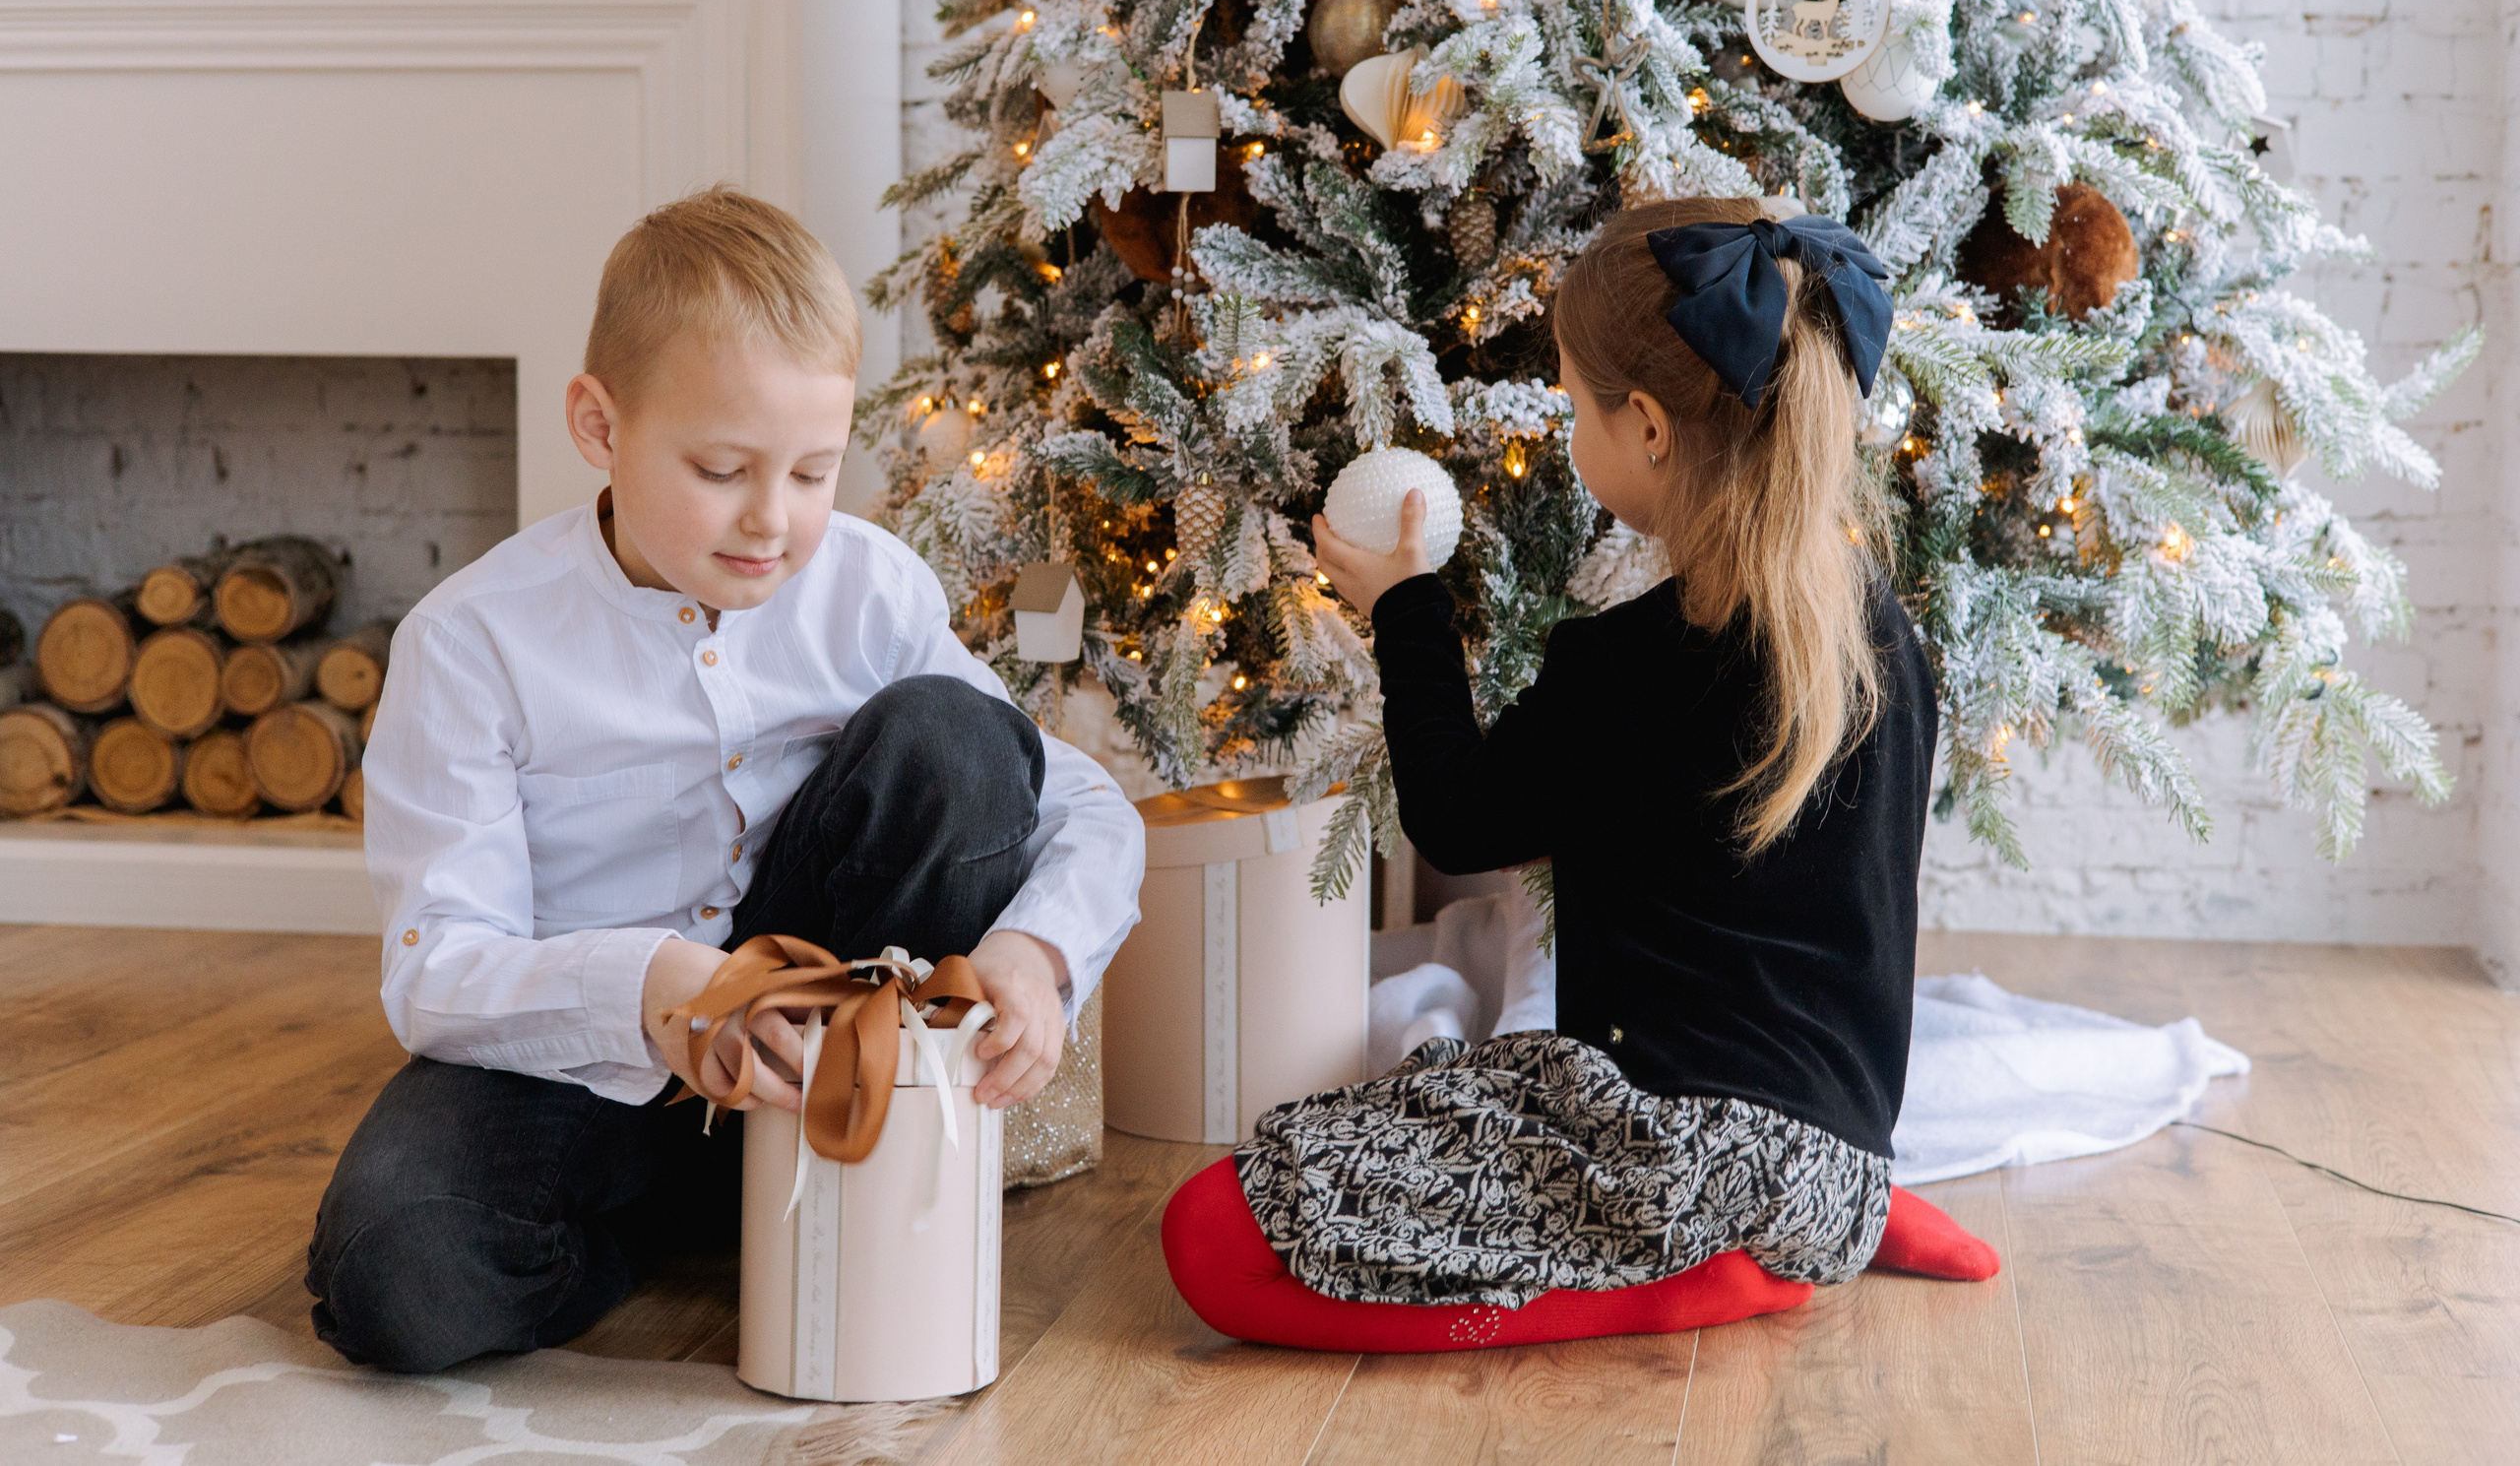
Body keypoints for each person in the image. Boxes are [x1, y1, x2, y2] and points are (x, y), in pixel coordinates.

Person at [306, 187, 1143, 1373]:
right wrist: (660, 990)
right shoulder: (472, 642)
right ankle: (671, 1218)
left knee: (953, 738)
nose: (773, 520)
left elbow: (1083, 805)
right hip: (590, 1063)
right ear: (598, 425)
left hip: (828, 1029)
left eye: (813, 472)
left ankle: (829, 1165)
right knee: (393, 1279)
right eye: (721, 468)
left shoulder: (870, 590)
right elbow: (437, 968)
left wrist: (1038, 956)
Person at [1161, 198, 1995, 1354]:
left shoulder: (1632, 668)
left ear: (1647, 427)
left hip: (1674, 1156)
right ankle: (1840, 1224)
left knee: (1209, 1236)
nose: (1566, 430)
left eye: (1569, 404)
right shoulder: (1882, 636)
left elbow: (1457, 820)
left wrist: (1404, 609)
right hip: (1837, 1161)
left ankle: (1708, 1281)